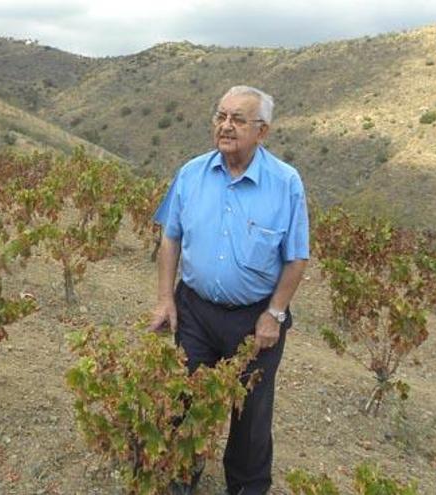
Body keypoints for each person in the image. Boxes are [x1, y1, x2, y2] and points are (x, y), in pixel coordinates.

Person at [150, 85, 310, 495]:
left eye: (238, 120)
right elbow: (171, 236)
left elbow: (296, 257)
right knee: (185, 399)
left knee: (251, 412)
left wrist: (274, 314)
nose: (225, 126)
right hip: (195, 311)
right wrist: (166, 298)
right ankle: (181, 477)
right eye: (221, 117)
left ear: (263, 131)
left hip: (255, 318)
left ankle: (247, 487)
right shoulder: (191, 173)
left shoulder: (285, 183)